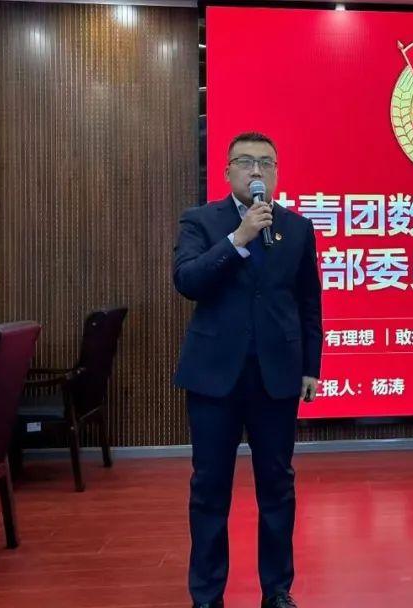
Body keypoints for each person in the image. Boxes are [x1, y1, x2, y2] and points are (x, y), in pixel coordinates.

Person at [172, 131, 322, 608]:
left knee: (277, 487)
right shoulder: (201, 221)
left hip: (276, 376)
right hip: (213, 377)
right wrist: (238, 239)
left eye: (266, 163)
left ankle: (277, 591)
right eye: (246, 162)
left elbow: (308, 302)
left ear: (276, 173)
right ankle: (206, 596)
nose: (256, 171)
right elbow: (187, 281)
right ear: (227, 172)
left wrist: (311, 367)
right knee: (209, 488)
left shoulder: (296, 228)